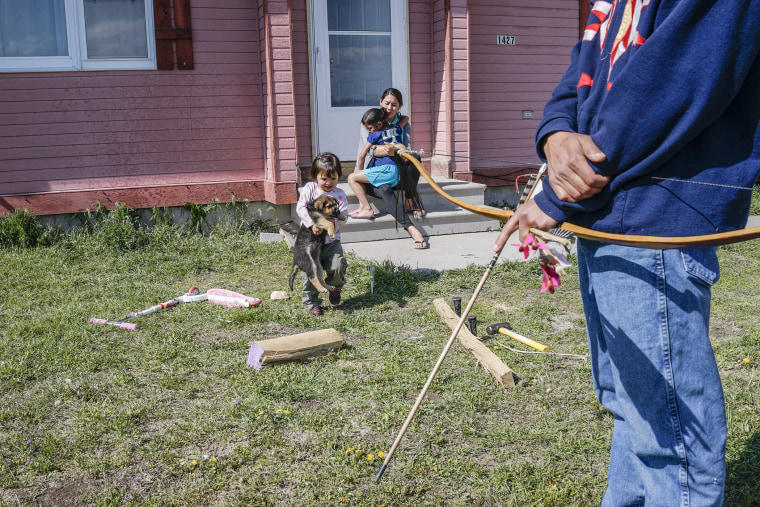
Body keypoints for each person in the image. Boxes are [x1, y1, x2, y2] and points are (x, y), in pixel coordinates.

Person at [494, 2, 760, 505]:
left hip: (656, 217)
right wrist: (554, 136)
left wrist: (556, 195)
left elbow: (676, 82)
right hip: (603, 218)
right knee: (631, 407)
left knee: (674, 444)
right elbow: (580, 73)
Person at [296, 152, 348, 316]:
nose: (328, 183)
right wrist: (312, 224)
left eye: (333, 178)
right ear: (315, 176)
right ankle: (312, 302)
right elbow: (301, 208)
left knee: (338, 265)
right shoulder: (309, 189)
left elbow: (343, 216)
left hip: (331, 241)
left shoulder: (340, 195)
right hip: (310, 241)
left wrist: (332, 223)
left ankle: (335, 288)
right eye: (324, 178)